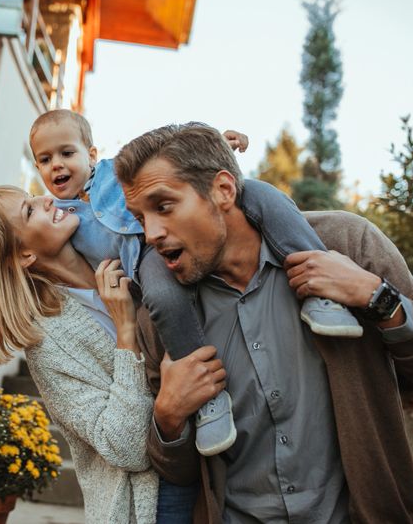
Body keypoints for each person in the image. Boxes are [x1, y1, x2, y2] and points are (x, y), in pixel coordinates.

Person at [114, 123, 413, 523]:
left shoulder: (347, 244)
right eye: (140, 217)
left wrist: (379, 299)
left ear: (223, 190)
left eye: (164, 206)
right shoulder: (163, 316)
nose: (151, 233)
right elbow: (180, 473)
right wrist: (169, 418)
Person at [28, 109, 362, 459]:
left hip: (172, 235)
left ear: (91, 154)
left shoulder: (115, 172)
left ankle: (320, 289)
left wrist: (218, 141)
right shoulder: (59, 217)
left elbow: (167, 153)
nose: (57, 165)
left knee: (261, 193)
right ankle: (209, 399)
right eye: (45, 160)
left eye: (67, 153)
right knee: (163, 295)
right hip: (147, 260)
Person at [0, 186, 165, 523]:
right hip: (147, 506)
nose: (47, 199)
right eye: (29, 211)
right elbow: (127, 447)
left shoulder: (128, 253)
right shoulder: (49, 345)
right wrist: (125, 330)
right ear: (25, 255)